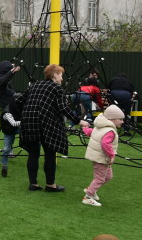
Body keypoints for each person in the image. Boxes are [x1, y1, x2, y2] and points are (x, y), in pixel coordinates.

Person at [16, 64, 89, 192]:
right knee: (50, 154)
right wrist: (79, 121)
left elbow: (19, 101)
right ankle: (50, 185)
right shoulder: (57, 88)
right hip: (47, 123)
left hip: (29, 122)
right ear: (55, 75)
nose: (62, 78)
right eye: (61, 75)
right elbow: (63, 108)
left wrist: (28, 112)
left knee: (33, 154)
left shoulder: (35, 85)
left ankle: (33, 184)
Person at [80, 105, 124, 207]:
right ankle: (88, 197)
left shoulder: (101, 126)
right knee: (100, 178)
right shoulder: (110, 131)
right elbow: (105, 144)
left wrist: (85, 129)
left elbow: (92, 132)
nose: (122, 121)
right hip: (101, 158)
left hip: (99, 157)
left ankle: (91, 189)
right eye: (120, 119)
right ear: (112, 119)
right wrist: (112, 155)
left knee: (108, 176)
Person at [0, 93, 23, 177]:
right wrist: (26, 121)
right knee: (6, 149)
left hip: (18, 128)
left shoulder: (21, 108)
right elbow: (13, 123)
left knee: (32, 138)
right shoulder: (7, 112)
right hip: (9, 130)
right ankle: (4, 165)